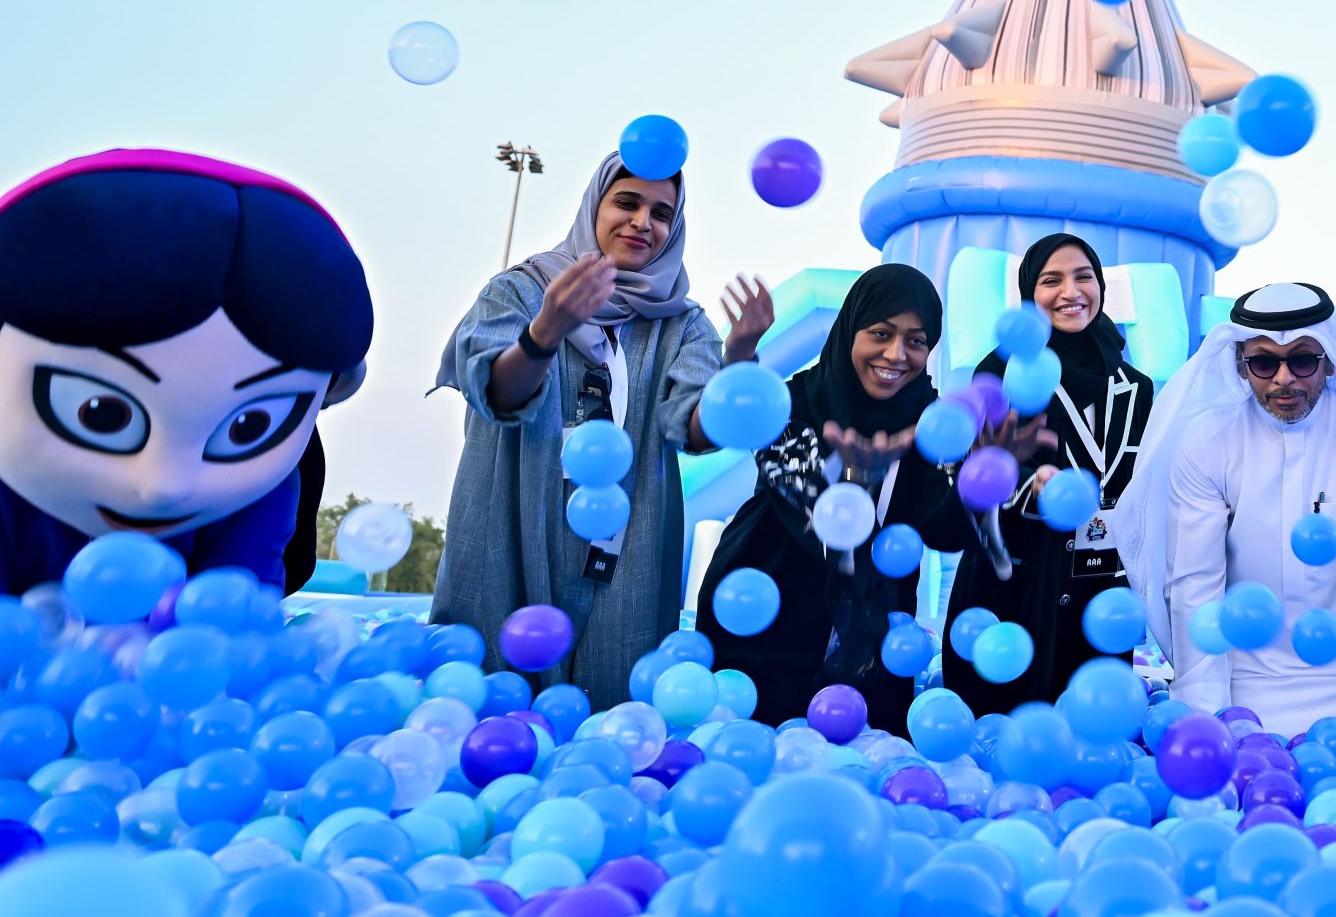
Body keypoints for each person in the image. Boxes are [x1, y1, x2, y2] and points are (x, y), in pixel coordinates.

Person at [432, 154, 773, 708]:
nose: (643, 223)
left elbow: (693, 429)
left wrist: (738, 359)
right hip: (514, 529)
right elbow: (495, 391)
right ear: (595, 205)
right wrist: (546, 332)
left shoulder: (682, 324)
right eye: (627, 203)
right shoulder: (522, 292)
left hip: (625, 556)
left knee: (613, 726)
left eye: (662, 213)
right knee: (487, 716)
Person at [0, 149, 373, 593]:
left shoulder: (264, 487)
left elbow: (232, 603)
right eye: (100, 413)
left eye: (248, 425)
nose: (164, 487)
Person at [1122, 282, 1336, 735]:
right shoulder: (1208, 441)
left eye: (1302, 360)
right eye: (1264, 362)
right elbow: (1195, 586)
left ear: (1329, 361)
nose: (1284, 379)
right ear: (1241, 367)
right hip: (1240, 685)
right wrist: (1211, 720)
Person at [698, 263, 973, 730]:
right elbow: (794, 494)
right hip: (763, 626)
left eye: (916, 340)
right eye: (881, 333)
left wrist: (985, 474)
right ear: (851, 330)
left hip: (873, 649)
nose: (896, 354)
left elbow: (948, 529)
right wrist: (741, 352)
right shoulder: (800, 400)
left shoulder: (932, 425)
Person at [946, 233, 1156, 715]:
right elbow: (969, 474)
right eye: (1050, 280)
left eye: (1084, 277)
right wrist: (1027, 489)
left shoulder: (1134, 387)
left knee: (1093, 728)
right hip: (1016, 583)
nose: (1071, 292)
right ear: (1028, 294)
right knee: (1002, 722)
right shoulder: (1001, 373)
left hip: (1099, 590)